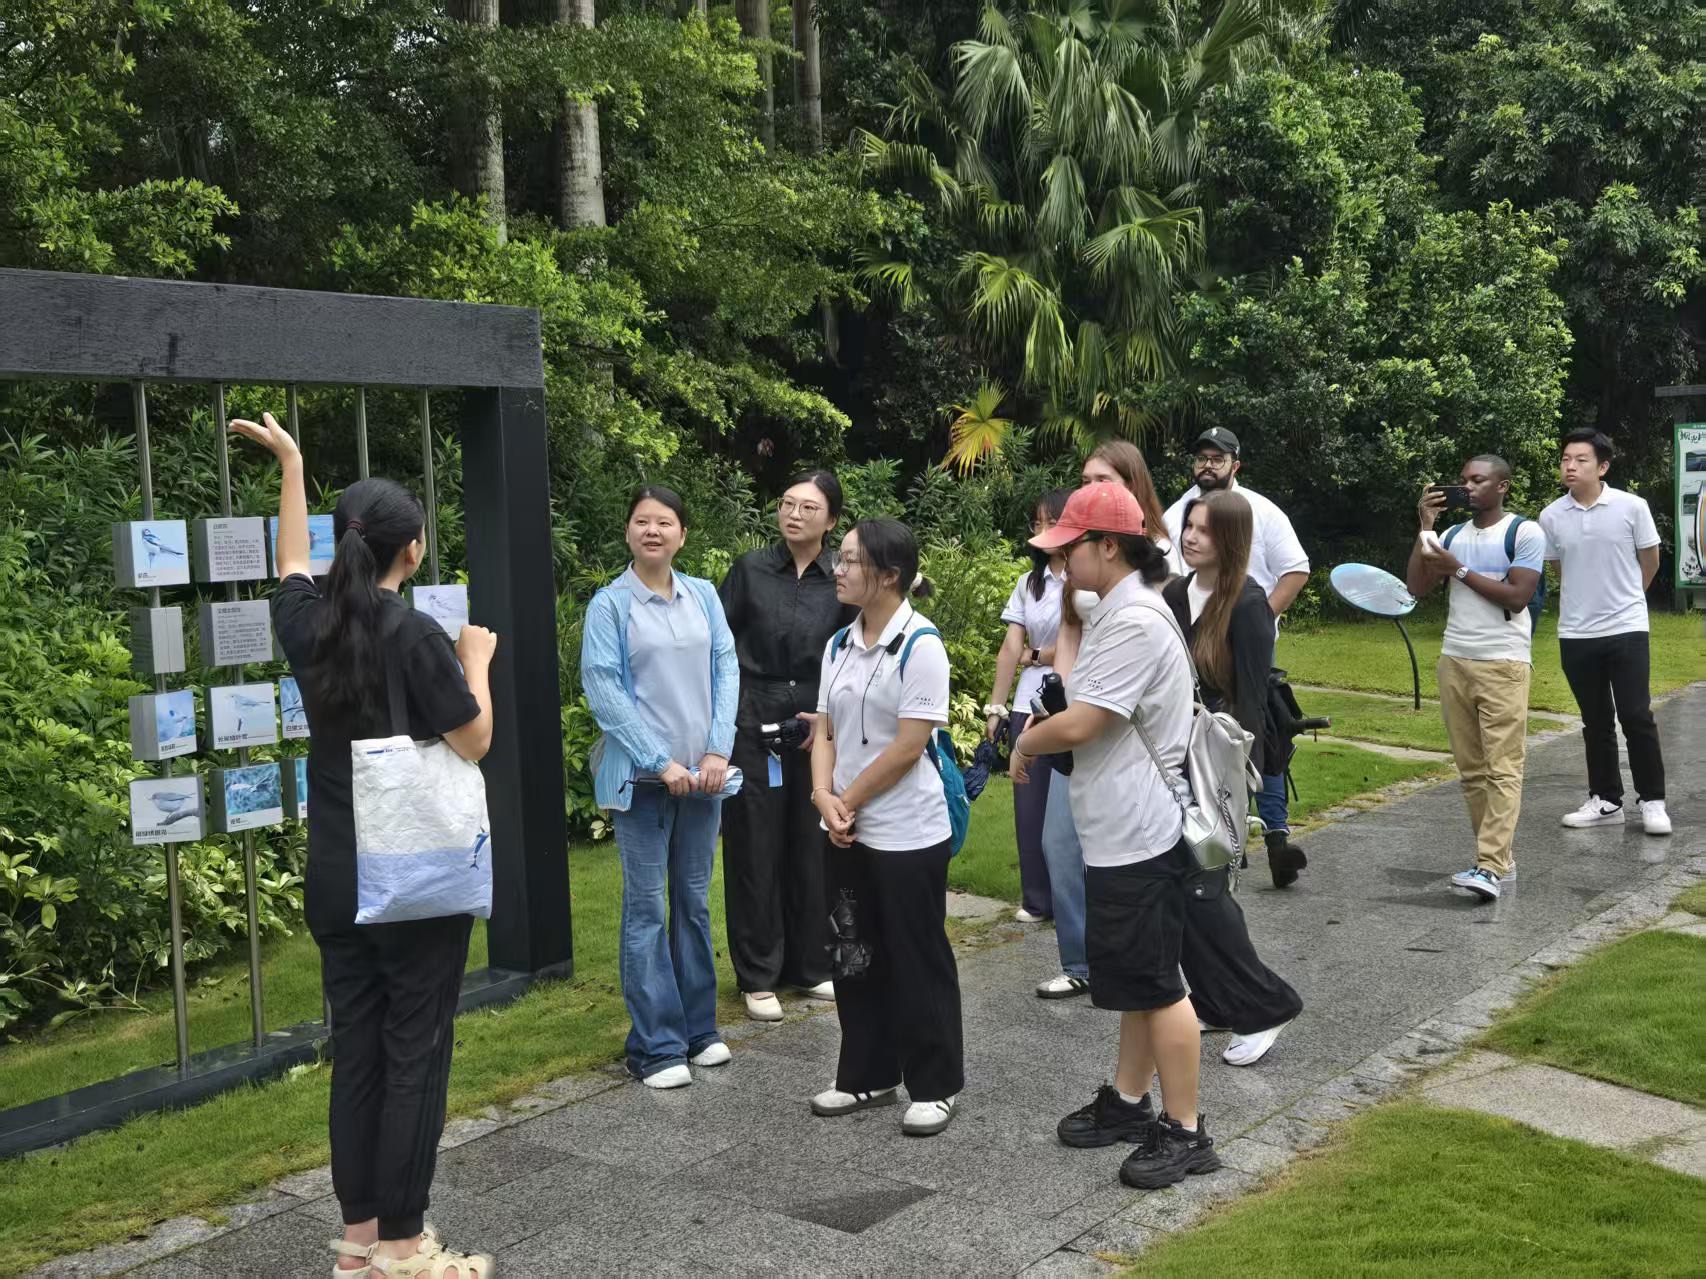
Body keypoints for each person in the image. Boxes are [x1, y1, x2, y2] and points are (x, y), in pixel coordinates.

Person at [236, 411, 494, 1279]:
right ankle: (403, 1248)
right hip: (413, 874)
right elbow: (474, 740)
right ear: (412, 548)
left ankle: (357, 1239)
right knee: (414, 1049)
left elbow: (289, 565)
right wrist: (478, 659)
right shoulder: (415, 634)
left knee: (358, 1049)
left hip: (337, 871)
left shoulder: (310, 627)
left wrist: (293, 466)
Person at [1016, 482, 1221, 1189]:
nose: (1060, 561)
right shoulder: (1119, 610)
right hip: (1118, 829)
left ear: (1108, 546)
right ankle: (1132, 1103)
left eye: (1069, 548)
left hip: (1140, 832)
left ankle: (1187, 1129)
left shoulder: (1134, 619)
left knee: (1160, 984)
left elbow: (1085, 720)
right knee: (1137, 977)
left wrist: (1024, 743)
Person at [808, 519, 964, 1137]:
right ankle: (865, 1075)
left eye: (849, 561)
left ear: (889, 575)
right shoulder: (837, 645)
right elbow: (823, 729)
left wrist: (843, 797)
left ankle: (936, 1083)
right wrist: (824, 796)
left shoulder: (920, 645)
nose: (838, 570)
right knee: (853, 951)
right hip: (846, 826)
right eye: (839, 559)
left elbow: (907, 747)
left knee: (915, 953)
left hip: (906, 831)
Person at [581, 486, 740, 1090]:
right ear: (628, 533)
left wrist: (717, 748)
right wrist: (660, 760)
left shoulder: (703, 595)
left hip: (705, 777)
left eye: (665, 522)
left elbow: (726, 668)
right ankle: (654, 1045)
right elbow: (604, 690)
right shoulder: (610, 605)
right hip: (641, 782)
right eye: (642, 522)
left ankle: (699, 1031)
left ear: (682, 534)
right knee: (647, 908)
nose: (653, 531)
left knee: (694, 904)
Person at [1162, 492, 1304, 1064]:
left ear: (1233, 541)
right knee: (1181, 886)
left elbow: (1249, 702)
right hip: (1170, 753)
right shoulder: (1174, 593)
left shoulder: (1247, 605)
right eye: (1188, 526)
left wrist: (1233, 785)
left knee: (1204, 887)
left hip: (1216, 759)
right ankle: (1215, 1002)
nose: (1190, 537)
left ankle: (1264, 1004)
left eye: (1205, 530)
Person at [718, 471, 856, 1021]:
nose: (794, 514)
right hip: (753, 719)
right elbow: (720, 648)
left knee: (811, 843)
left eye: (808, 507)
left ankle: (812, 965)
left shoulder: (841, 576)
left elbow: (853, 652)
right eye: (787, 503)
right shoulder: (750, 570)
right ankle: (757, 974)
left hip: (819, 722)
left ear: (832, 519)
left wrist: (831, 722)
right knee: (754, 845)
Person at [1161, 427, 1309, 882]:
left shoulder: (1262, 512)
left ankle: (1273, 834)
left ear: (1235, 464)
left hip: (1240, 641)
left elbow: (1296, 570)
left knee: (1258, 729)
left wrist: (1256, 617)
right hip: (1191, 658)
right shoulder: (1174, 513)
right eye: (1201, 457)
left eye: (1217, 458)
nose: (1207, 465)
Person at [1406, 457, 1547, 900]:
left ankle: (1488, 866)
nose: (1466, 487)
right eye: (1463, 480)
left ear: (1502, 485)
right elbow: (1416, 587)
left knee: (1503, 769)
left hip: (1503, 662)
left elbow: (1519, 596)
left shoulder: (1524, 532)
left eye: (1477, 480)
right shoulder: (1450, 535)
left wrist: (1460, 570)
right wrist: (1425, 525)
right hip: (1455, 659)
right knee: (1471, 772)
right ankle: (1499, 862)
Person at [1540, 430, 1670, 835]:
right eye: (1565, 459)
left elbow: (1649, 562)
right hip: (1576, 632)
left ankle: (1652, 801)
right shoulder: (1550, 516)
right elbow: (1559, 569)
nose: (1570, 466)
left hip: (1627, 627)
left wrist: (1628, 599)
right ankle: (1606, 800)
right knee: (1595, 720)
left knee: (1636, 715)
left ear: (1603, 466)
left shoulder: (1632, 507)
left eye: (1580, 459)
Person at [984, 488, 1072, 925]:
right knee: (1030, 803)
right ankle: (1038, 899)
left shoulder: (1086, 578)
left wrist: (1038, 655)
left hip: (1072, 698)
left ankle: (1075, 893)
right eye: (1036, 523)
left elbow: (1078, 645)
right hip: (1028, 702)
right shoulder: (1028, 583)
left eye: (1050, 522)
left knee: (1073, 803)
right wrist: (996, 707)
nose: (1041, 531)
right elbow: (1008, 649)